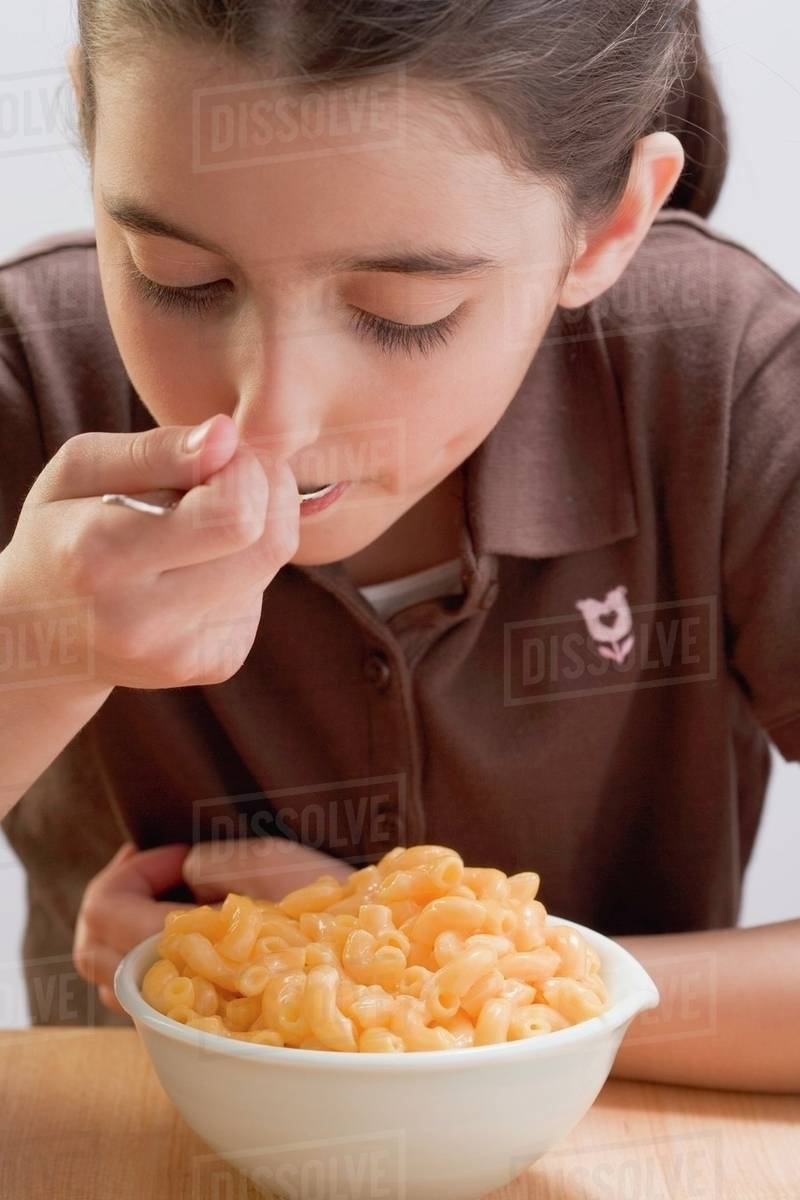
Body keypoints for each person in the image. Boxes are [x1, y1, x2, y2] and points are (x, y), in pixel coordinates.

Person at [0, 0, 797, 1092]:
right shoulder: (27, 374)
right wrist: (24, 656)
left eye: (401, 309)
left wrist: (387, 964)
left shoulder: (720, 378)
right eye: (179, 277)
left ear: (609, 225)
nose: (271, 418)